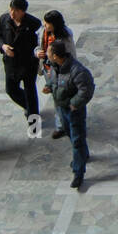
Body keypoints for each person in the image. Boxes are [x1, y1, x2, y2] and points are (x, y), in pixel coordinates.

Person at [45, 40, 94, 190]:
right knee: (71, 135)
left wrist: (74, 103)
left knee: (77, 139)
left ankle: (78, 172)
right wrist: (49, 87)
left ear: (55, 55)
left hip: (73, 111)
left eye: (49, 51)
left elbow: (86, 90)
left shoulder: (77, 70)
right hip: (61, 108)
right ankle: (83, 155)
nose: (46, 53)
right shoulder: (54, 66)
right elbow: (53, 80)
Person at [0, 0, 42, 123]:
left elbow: (38, 44)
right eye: (11, 9)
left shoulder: (33, 24)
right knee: (11, 90)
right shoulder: (4, 19)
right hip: (11, 63)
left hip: (27, 64)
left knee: (30, 91)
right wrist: (3, 46)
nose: (12, 13)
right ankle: (29, 107)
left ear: (23, 12)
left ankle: (34, 120)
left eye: (16, 11)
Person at [35, 10, 74, 140]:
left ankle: (63, 125)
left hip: (60, 71)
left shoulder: (65, 36)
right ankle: (61, 125)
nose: (45, 26)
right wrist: (38, 52)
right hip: (48, 69)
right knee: (56, 98)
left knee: (62, 97)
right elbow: (37, 46)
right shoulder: (43, 32)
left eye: (47, 24)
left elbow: (70, 55)